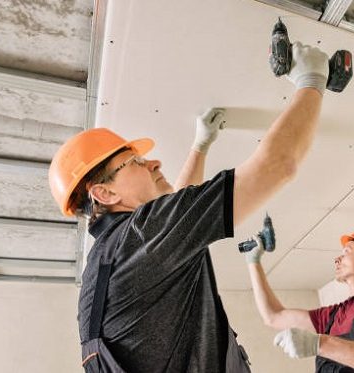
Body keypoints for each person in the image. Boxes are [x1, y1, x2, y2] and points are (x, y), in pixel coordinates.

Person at [48, 42, 330, 372]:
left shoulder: (108, 262)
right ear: (105, 194)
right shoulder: (142, 236)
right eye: (136, 162)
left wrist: (200, 146)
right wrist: (312, 80)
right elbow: (278, 165)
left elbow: (177, 222)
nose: (153, 162)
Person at [245, 227, 354, 372]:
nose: (337, 259)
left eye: (346, 251)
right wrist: (254, 262)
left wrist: (321, 343)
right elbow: (274, 316)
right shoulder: (332, 315)